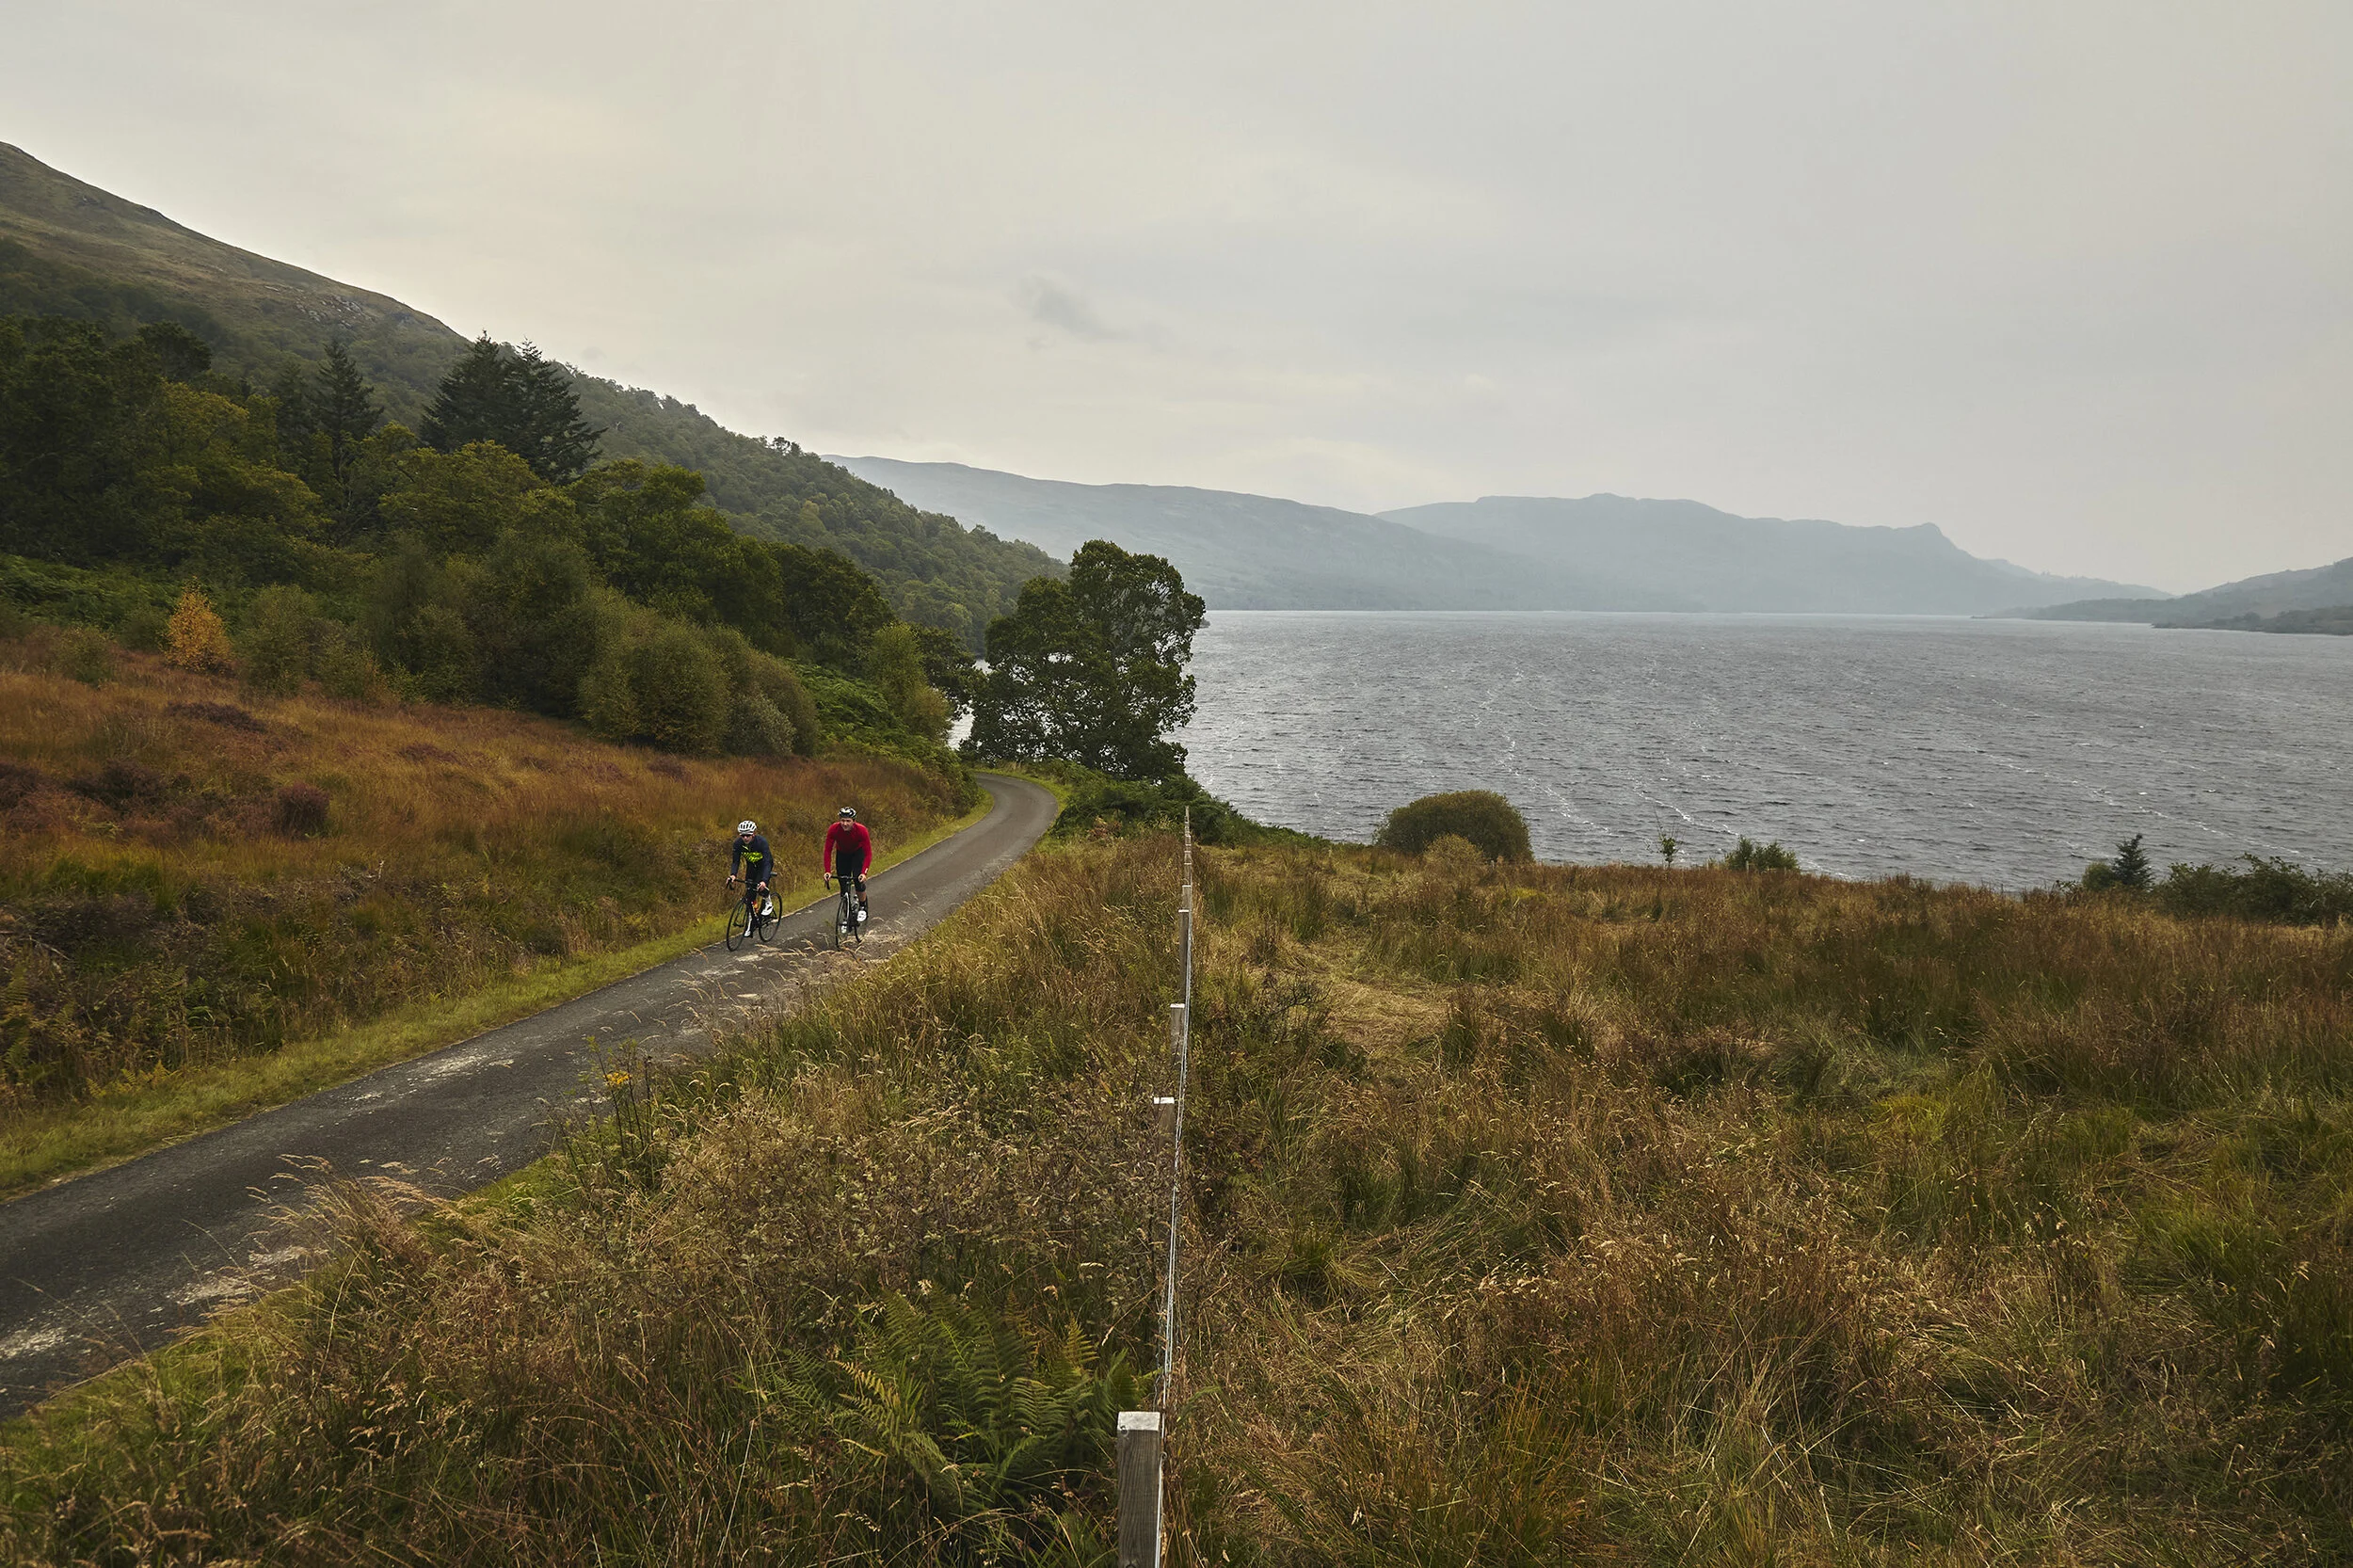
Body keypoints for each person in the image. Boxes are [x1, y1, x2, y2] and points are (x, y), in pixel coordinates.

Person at [822, 806, 872, 921]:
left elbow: (868, 853)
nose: (845, 824)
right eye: (843, 820)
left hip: (857, 854)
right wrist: (827, 871)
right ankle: (847, 916)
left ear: (854, 821)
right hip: (842, 854)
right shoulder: (834, 829)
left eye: (848, 821)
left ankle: (863, 906)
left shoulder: (861, 830)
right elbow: (827, 851)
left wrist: (864, 872)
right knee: (843, 887)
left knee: (858, 880)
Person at [727, 820, 776, 919]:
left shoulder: (761, 842)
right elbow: (736, 862)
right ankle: (753, 918)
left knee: (760, 887)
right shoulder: (738, 844)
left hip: (764, 866)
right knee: (750, 894)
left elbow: (767, 862)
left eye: (748, 835)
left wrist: (764, 881)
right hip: (752, 867)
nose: (745, 838)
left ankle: (768, 902)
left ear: (753, 834)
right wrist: (733, 875)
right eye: (743, 835)